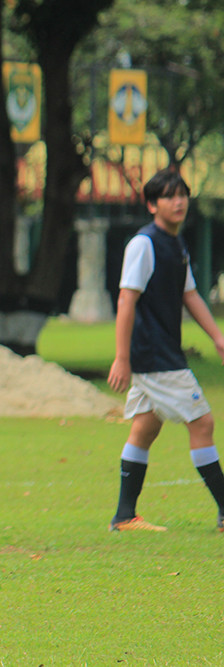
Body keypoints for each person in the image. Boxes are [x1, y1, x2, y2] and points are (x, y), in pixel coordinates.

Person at [106, 168, 224, 532]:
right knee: (202, 422)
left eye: (183, 195)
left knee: (144, 427)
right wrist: (122, 357)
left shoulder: (176, 243)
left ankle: (124, 517)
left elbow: (190, 295)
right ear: (152, 204)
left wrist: (217, 337)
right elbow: (127, 299)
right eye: (170, 196)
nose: (179, 202)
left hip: (159, 352)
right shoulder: (144, 243)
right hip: (154, 355)